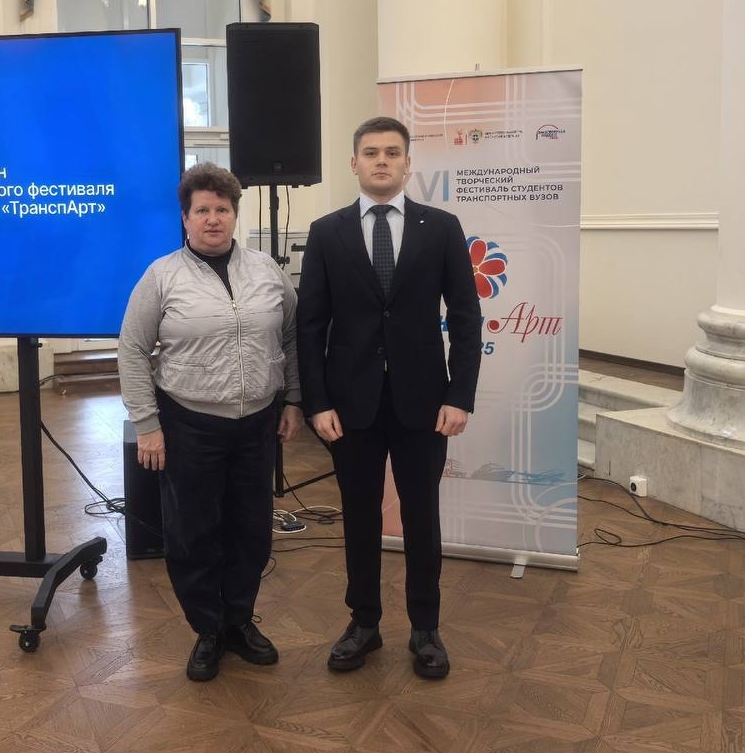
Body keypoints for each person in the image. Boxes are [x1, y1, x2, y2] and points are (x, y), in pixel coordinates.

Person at [297, 116, 481, 680]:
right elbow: (310, 326)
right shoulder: (326, 232)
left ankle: (425, 628)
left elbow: (466, 318)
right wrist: (316, 402)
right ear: (354, 163)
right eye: (372, 152)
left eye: (392, 152)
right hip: (349, 405)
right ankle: (364, 623)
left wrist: (460, 395)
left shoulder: (442, 228)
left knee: (422, 516)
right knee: (358, 516)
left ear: (407, 164)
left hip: (423, 403)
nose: (382, 161)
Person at [119, 163, 304, 681]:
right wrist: (147, 424)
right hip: (189, 424)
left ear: (235, 214)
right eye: (202, 210)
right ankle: (208, 628)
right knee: (193, 532)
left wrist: (293, 399)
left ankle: (239, 621)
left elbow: (292, 336)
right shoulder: (162, 276)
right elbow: (132, 350)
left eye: (222, 209)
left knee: (251, 529)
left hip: (257, 424)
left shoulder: (266, 271)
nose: (213, 218)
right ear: (185, 218)